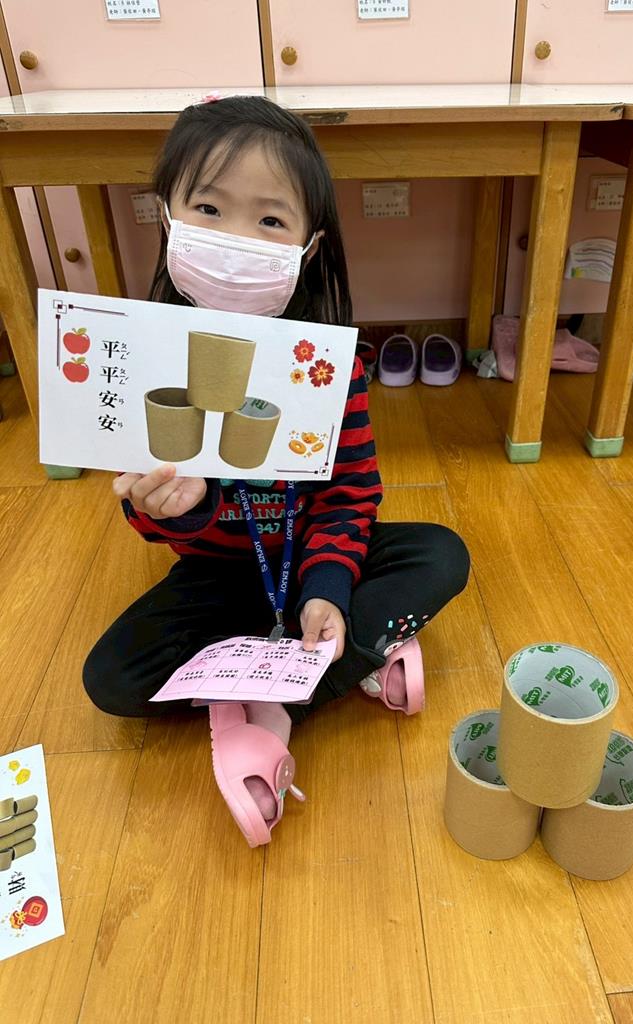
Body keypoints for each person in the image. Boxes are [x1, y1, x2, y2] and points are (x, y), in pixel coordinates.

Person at [83, 95, 470, 847]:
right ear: (166, 216)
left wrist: (326, 590)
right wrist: (172, 509)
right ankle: (334, 665)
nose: (235, 240)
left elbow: (350, 495)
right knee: (113, 678)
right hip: (219, 575)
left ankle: (266, 692)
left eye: (268, 220)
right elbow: (149, 517)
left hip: (315, 562)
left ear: (309, 244)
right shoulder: (147, 357)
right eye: (207, 208)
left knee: (439, 554)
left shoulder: (327, 366)